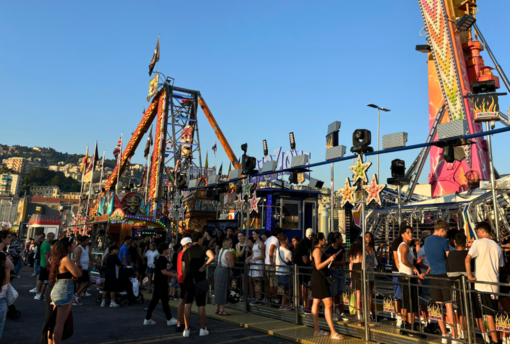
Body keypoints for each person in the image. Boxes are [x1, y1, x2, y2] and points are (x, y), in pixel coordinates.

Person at [465, 222, 504, 344]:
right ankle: (499, 338)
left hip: (482, 284)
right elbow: (501, 266)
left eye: (477, 232)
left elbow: (467, 259)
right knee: (494, 312)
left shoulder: (478, 243)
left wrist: (470, 276)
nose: (477, 235)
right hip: (495, 284)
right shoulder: (497, 246)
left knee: (488, 314)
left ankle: (494, 341)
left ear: (482, 231)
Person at [424, 219, 457, 341]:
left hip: (433, 275)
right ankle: (454, 336)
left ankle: (444, 335)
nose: (445, 235)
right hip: (444, 275)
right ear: (441, 230)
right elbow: (449, 257)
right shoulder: (443, 241)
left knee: (438, 307)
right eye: (445, 232)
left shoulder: (426, 241)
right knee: (448, 305)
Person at [48, 238, 82, 344]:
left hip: (57, 288)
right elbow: (77, 274)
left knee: (54, 321)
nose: (74, 246)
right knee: (60, 323)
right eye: (73, 244)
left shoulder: (57, 258)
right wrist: (78, 268)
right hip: (65, 289)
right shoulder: (66, 259)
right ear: (67, 246)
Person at [310, 233, 343, 340]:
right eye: (323, 239)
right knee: (328, 303)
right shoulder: (317, 250)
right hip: (320, 279)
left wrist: (328, 257)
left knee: (316, 302)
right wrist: (329, 260)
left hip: (317, 278)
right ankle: (332, 332)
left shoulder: (315, 250)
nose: (325, 240)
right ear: (320, 240)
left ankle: (317, 330)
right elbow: (318, 265)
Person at [182, 232, 215, 337]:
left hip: (188, 279)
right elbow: (212, 257)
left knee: (187, 304)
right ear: (200, 239)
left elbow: (183, 269)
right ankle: (202, 329)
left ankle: (186, 330)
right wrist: (204, 266)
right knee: (201, 304)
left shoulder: (186, 251)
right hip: (199, 279)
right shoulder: (203, 248)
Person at [397, 226, 426, 338]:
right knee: (411, 302)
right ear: (403, 235)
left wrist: (414, 262)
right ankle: (412, 327)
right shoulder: (404, 246)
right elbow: (403, 260)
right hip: (407, 276)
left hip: (405, 276)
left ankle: (405, 326)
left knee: (406, 301)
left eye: (411, 232)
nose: (410, 234)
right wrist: (414, 267)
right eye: (407, 232)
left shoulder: (406, 246)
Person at [144, 243, 178, 327]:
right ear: (164, 250)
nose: (169, 250)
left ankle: (147, 318)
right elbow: (164, 271)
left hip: (158, 281)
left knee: (154, 301)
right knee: (164, 301)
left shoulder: (161, 259)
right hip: (161, 282)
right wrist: (176, 276)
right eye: (167, 249)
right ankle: (169, 319)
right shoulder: (162, 259)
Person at [446, 232, 469, 340]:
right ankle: (464, 334)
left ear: (454, 242)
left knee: (456, 310)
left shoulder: (450, 254)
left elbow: (449, 273)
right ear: (465, 243)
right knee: (465, 311)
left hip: (454, 287)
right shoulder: (469, 254)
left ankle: (458, 333)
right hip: (468, 287)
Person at [326, 232, 347, 320]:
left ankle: (341, 311)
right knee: (333, 292)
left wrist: (337, 264)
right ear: (337, 239)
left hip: (340, 271)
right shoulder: (329, 248)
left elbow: (344, 261)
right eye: (341, 238)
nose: (342, 240)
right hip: (333, 272)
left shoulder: (342, 248)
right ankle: (334, 312)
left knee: (341, 292)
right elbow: (330, 261)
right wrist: (340, 264)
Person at [417, 230, 434, 333]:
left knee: (432, 299)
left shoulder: (432, 249)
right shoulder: (422, 250)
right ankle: (425, 320)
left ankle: (432, 321)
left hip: (432, 276)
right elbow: (420, 264)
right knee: (424, 299)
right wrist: (429, 268)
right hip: (426, 277)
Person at [74, 236, 98, 304]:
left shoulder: (87, 247)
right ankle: (77, 295)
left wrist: (96, 262)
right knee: (82, 282)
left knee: (85, 282)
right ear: (83, 241)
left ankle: (77, 295)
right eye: (87, 240)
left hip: (86, 267)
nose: (88, 242)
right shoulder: (79, 248)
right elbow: (77, 259)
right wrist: (79, 268)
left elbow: (90, 256)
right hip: (81, 268)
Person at [390, 224, 406, 327]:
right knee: (398, 295)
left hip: (404, 271)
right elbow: (395, 257)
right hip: (398, 271)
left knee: (403, 295)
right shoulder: (397, 241)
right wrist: (400, 269)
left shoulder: (407, 242)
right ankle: (398, 316)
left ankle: (403, 317)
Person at [365, 232, 383, 320]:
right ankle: (370, 314)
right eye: (366, 236)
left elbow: (379, 261)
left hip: (371, 272)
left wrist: (382, 250)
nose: (368, 238)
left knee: (370, 293)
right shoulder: (362, 248)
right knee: (368, 294)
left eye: (370, 236)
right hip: (365, 272)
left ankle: (371, 313)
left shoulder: (372, 248)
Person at [214, 238, 234, 316]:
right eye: (231, 243)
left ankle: (217, 308)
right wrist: (232, 256)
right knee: (223, 289)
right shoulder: (228, 253)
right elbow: (231, 265)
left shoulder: (221, 250)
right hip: (224, 271)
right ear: (229, 244)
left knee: (218, 289)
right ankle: (222, 310)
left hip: (217, 269)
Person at [293, 231, 312, 313]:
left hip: (297, 271)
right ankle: (306, 307)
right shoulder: (304, 250)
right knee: (306, 289)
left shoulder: (295, 250)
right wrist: (310, 260)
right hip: (304, 271)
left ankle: (302, 305)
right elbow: (305, 261)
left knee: (300, 288)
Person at [0, 231, 14, 340]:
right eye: (8, 237)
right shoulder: (2, 254)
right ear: (2, 238)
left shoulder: (3, 252)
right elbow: (11, 267)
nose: (11, 239)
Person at [176, 237, 192, 333]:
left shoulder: (179, 254)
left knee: (182, 301)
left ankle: (179, 322)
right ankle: (183, 324)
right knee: (184, 302)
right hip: (184, 279)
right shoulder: (185, 254)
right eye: (190, 243)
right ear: (187, 244)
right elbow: (183, 269)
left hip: (180, 278)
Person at [36, 232, 55, 301]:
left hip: (44, 264)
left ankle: (39, 293)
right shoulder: (46, 245)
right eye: (52, 236)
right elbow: (46, 256)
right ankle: (39, 293)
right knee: (43, 280)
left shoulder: (45, 243)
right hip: (45, 265)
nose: (53, 238)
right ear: (48, 236)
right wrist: (49, 264)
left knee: (42, 279)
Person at [348, 237, 364, 324]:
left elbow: (350, 266)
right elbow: (362, 266)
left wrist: (351, 280)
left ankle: (358, 314)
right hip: (360, 273)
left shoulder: (352, 254)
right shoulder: (362, 252)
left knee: (357, 295)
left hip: (353, 274)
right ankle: (361, 314)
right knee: (361, 296)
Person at [265, 227, 282, 304]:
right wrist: (272, 261)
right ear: (278, 234)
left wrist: (265, 259)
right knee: (276, 283)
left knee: (271, 283)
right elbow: (272, 249)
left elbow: (264, 248)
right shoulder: (275, 240)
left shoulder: (268, 239)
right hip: (272, 265)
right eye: (281, 234)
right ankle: (276, 299)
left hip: (266, 264)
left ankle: (271, 299)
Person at [248, 230, 265, 305]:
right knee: (254, 282)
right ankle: (256, 297)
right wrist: (248, 258)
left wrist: (253, 259)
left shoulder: (261, 244)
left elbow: (263, 256)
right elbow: (253, 254)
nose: (253, 236)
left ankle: (259, 298)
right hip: (253, 264)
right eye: (252, 234)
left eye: (254, 234)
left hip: (258, 264)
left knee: (257, 282)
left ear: (258, 234)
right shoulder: (254, 244)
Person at [275, 235, 292, 311]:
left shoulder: (277, 250)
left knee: (281, 289)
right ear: (286, 241)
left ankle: (286, 304)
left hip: (278, 272)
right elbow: (292, 261)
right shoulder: (288, 252)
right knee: (286, 290)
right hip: (285, 272)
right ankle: (282, 305)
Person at [235, 232, 248, 301]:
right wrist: (244, 247)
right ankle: (241, 293)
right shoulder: (237, 245)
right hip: (240, 263)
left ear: (244, 237)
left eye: (241, 236)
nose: (239, 237)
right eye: (238, 236)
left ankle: (246, 294)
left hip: (246, 263)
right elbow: (240, 254)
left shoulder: (248, 243)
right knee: (241, 279)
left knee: (246, 280)